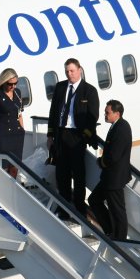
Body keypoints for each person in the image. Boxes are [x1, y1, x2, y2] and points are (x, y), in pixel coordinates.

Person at [47, 58, 99, 215]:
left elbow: (92, 117)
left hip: (77, 136)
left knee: (78, 174)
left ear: (79, 70)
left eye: (72, 71)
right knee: (61, 173)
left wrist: (84, 136)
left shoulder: (89, 91)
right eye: (67, 71)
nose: (69, 74)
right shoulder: (60, 87)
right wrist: (50, 135)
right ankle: (64, 207)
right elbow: (53, 112)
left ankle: (79, 207)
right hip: (61, 133)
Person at [88, 100, 132, 241]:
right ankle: (110, 230)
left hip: (115, 178)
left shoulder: (122, 128)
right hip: (109, 177)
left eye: (107, 112)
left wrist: (101, 161)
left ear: (117, 114)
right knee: (94, 200)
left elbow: (114, 155)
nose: (105, 115)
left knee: (117, 211)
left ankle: (120, 240)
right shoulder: (116, 126)